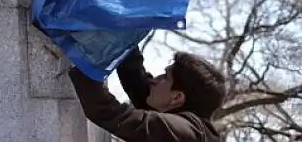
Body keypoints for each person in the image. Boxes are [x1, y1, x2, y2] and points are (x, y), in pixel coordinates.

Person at [69, 46, 226, 141]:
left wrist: (82, 61)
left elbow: (113, 115)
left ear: (177, 97)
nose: (154, 80)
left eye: (164, 77)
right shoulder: (181, 123)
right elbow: (137, 81)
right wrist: (124, 27)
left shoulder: (184, 134)